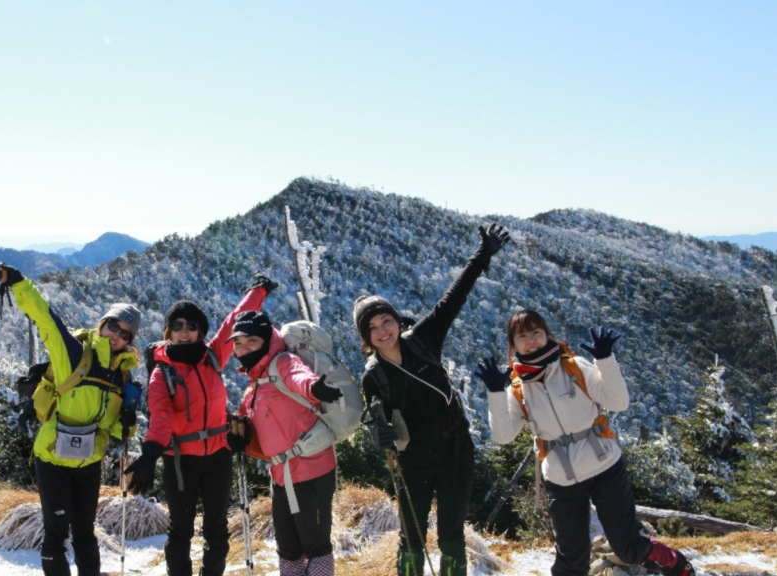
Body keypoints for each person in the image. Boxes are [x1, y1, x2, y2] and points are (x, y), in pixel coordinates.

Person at [474, 310, 696, 576]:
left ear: (547, 335)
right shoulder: (518, 388)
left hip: (605, 467)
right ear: (513, 345)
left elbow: (618, 402)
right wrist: (496, 393)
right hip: (561, 478)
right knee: (572, 559)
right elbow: (503, 436)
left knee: (627, 546)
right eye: (523, 336)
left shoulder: (573, 367)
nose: (531, 340)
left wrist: (605, 360)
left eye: (536, 333)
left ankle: (674, 562)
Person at [354, 224, 510, 576]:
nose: (383, 330)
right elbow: (378, 421)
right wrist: (381, 435)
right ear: (366, 338)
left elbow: (452, 299)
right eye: (372, 328)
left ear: (397, 321)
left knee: (452, 534)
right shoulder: (373, 376)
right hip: (414, 461)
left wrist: (481, 256)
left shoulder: (423, 340)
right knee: (411, 538)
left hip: (455, 449)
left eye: (386, 320)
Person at [124, 273, 277, 576]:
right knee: (180, 531)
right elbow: (161, 415)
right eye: (177, 326)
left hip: (219, 455)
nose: (184, 332)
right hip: (180, 460)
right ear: (169, 331)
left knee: (217, 531)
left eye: (191, 326)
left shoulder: (212, 355)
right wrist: (151, 454)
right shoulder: (162, 372)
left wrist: (258, 290)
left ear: (200, 331)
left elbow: (234, 318)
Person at [0, 263, 142, 576]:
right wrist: (19, 283)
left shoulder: (121, 376)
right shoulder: (75, 354)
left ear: (130, 340)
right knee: (57, 533)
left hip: (88, 462)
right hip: (52, 458)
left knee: (86, 532)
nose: (116, 334)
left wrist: (128, 421)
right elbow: (47, 320)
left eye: (125, 333)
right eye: (114, 325)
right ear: (103, 323)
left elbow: (113, 428)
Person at [227, 310, 344, 576]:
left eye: (252, 341)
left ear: (268, 340)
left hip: (312, 469)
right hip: (280, 475)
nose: (244, 349)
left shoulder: (282, 362)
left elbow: (298, 376)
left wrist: (314, 388)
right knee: (288, 549)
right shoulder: (255, 382)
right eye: (239, 343)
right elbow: (249, 423)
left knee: (316, 547)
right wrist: (237, 436)